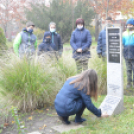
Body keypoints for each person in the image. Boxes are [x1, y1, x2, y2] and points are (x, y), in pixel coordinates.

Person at [122, 18, 134, 89]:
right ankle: (129, 83)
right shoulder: (124, 33)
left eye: (130, 25)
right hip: (127, 54)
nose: (129, 26)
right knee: (128, 69)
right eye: (128, 25)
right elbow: (123, 43)